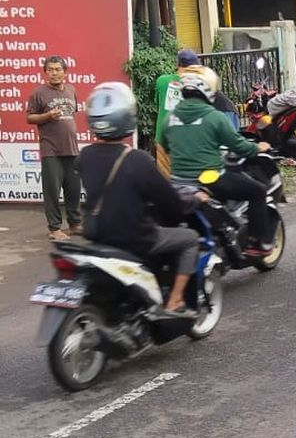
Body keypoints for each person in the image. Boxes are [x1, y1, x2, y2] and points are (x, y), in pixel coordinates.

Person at [77, 82, 205, 317]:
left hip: (98, 237)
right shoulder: (139, 160)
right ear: (127, 116)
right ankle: (175, 301)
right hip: (136, 238)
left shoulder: (85, 156)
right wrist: (194, 200)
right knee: (189, 239)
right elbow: (171, 204)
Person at [163, 67, 275, 255]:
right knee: (257, 191)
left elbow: (167, 147)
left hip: (178, 184)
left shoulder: (170, 118)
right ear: (208, 90)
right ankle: (257, 243)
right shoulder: (214, 116)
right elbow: (240, 146)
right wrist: (259, 147)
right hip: (210, 180)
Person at [26, 56, 81, 241]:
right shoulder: (38, 93)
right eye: (50, 69)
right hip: (51, 149)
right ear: (45, 72)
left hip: (72, 148)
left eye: (58, 69)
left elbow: (72, 115)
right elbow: (30, 118)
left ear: (65, 72)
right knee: (52, 191)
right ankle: (55, 228)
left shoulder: (72, 90)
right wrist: (48, 115)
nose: (54, 73)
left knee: (73, 189)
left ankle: (74, 224)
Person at [153, 49, 205, 177]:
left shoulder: (162, 81)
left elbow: (156, 103)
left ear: (178, 64)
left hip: (163, 138)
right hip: (186, 140)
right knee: (186, 179)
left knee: (166, 180)